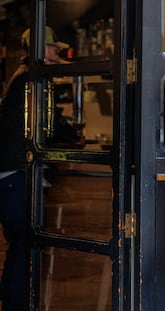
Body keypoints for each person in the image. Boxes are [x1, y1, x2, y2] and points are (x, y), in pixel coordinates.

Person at [0, 26, 69, 310]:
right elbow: (47, 124)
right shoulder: (34, 79)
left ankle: (12, 299)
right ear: (41, 49)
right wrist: (71, 135)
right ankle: (16, 303)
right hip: (15, 175)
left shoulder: (23, 77)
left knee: (20, 244)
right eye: (53, 49)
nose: (56, 54)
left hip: (11, 175)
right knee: (24, 244)